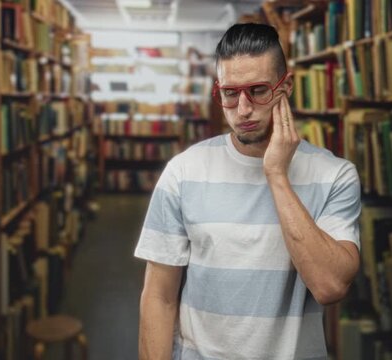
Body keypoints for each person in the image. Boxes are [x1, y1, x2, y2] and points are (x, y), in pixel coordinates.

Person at [134, 23, 361, 359]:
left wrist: (276, 174)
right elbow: (159, 297)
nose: (242, 110)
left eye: (258, 90)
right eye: (230, 93)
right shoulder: (183, 172)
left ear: (286, 87)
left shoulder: (335, 175)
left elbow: (330, 286)